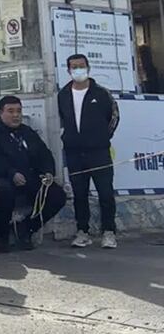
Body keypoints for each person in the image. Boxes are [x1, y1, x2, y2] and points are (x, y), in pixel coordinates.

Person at [0, 96, 68, 253]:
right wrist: (11, 173)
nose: (16, 115)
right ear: (0, 113)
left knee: (57, 195)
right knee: (2, 190)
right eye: (11, 111)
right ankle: (2, 235)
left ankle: (26, 228)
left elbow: (44, 154)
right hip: (0, 177)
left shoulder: (27, 132)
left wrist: (48, 172)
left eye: (19, 111)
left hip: (29, 177)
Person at [58, 54, 120, 249]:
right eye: (74, 67)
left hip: (99, 152)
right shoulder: (63, 94)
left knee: (105, 193)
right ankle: (82, 231)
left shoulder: (102, 93)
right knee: (79, 194)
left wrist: (102, 138)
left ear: (88, 68)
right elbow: (63, 119)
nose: (78, 70)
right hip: (74, 153)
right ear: (68, 71)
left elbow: (114, 118)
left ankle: (109, 232)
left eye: (81, 66)